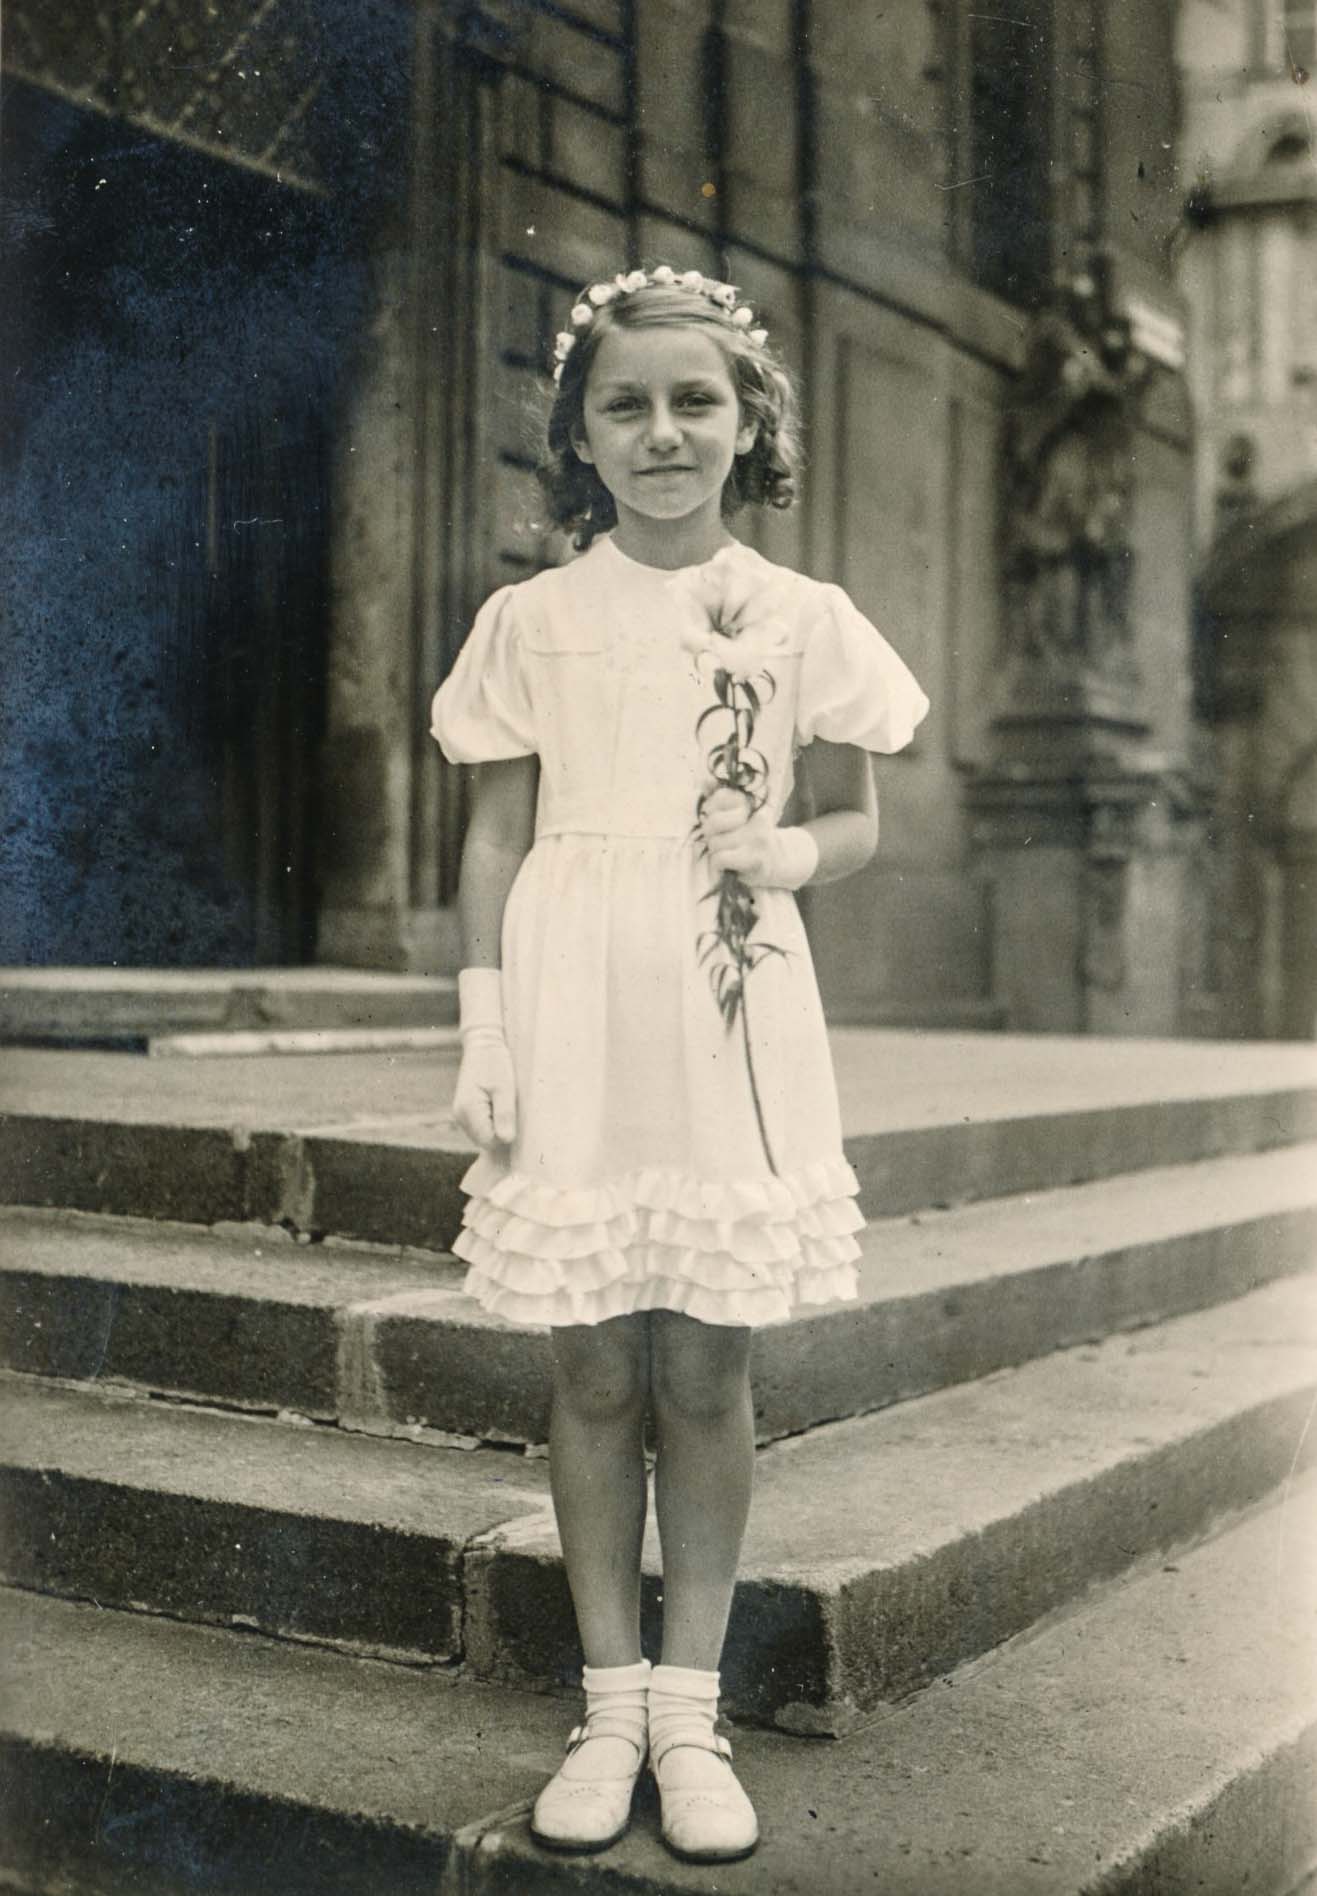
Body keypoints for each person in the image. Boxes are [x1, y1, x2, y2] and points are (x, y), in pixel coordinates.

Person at [430, 264, 928, 1864]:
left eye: (694, 401)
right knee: (591, 1370)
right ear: (579, 435)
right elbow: (493, 835)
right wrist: (484, 1027)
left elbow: (853, 818)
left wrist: (786, 853)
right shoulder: (529, 620)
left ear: (747, 423)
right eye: (625, 405)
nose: (661, 432)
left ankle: (690, 1713)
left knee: (705, 1368)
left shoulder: (800, 616)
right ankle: (608, 1703)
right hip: (571, 990)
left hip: (726, 993)